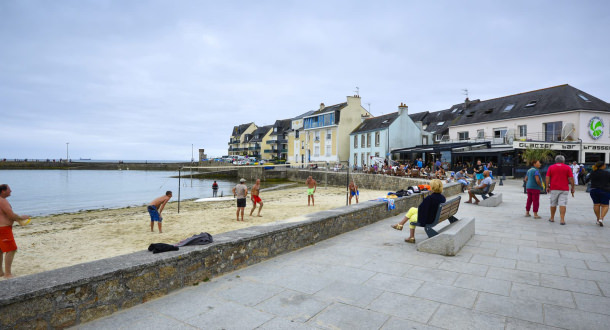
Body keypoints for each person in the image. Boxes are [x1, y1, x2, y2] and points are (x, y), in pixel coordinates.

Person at [390, 179, 446, 243]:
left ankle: (411, 237)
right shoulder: (442, 198)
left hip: (429, 219)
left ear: (432, 187)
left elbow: (422, 209)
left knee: (412, 217)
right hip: (434, 216)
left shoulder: (429, 198)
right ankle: (400, 225)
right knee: (412, 209)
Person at [0, 184, 30, 278]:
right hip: (3, 229)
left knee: (0, 250)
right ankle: (8, 274)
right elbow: (11, 215)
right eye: (9, 189)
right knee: (11, 249)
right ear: (3, 191)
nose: (11, 191)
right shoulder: (2, 200)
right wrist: (22, 218)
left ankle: (1, 272)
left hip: (2, 228)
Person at [545, 155, 575, 225]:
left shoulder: (551, 167)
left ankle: (552, 218)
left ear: (555, 161)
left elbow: (547, 177)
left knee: (553, 203)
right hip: (564, 189)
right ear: (563, 161)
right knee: (562, 203)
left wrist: (547, 186)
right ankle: (562, 220)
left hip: (554, 188)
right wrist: (572, 187)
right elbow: (571, 178)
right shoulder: (567, 167)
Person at [588, 161, 610, 227]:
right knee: (605, 206)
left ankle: (598, 219)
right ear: (602, 166)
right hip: (605, 190)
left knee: (596, 204)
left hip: (594, 190)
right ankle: (601, 218)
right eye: (605, 165)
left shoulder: (593, 172)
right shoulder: (607, 173)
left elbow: (586, 180)